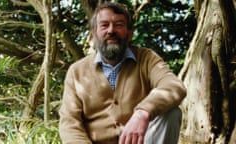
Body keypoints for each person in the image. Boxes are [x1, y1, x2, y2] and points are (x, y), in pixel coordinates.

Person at [59, 2, 186, 144]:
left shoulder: (147, 58)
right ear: (94, 33)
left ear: (130, 33)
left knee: (171, 113)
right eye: (104, 25)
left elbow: (173, 86)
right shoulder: (77, 72)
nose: (111, 30)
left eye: (119, 25)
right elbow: (70, 125)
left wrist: (142, 113)